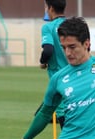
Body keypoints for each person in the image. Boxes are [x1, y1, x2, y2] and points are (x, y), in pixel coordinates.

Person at [36, 0, 68, 128]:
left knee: (65, 124)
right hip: (79, 76)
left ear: (50, 8)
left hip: (60, 80)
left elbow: (48, 49)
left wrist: (43, 62)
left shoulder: (48, 27)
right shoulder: (73, 25)